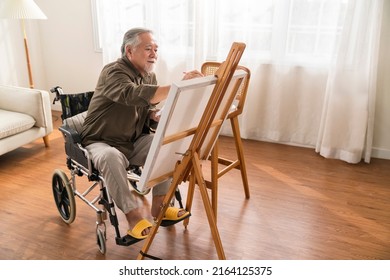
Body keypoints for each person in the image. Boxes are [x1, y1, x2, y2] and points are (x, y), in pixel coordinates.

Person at [81, 27, 203, 240]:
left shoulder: (149, 76)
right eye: (148, 49)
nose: (154, 54)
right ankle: (133, 217)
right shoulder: (113, 72)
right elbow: (132, 95)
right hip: (100, 141)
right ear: (129, 51)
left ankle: (160, 205)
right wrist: (179, 85)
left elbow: (143, 107)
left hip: (131, 141)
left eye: (156, 49)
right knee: (110, 157)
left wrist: (153, 115)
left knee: (167, 144)